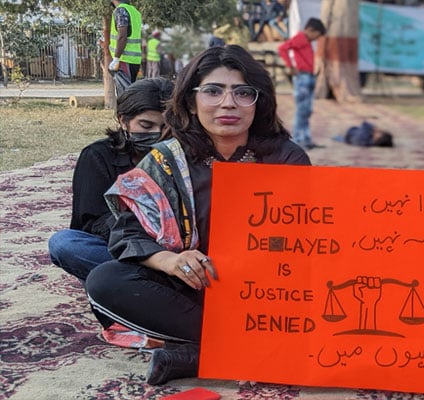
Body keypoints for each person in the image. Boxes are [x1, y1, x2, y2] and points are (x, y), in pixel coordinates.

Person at [84, 45, 311, 385]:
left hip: (273, 294)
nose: (228, 103)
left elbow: (311, 238)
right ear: (191, 101)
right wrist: (170, 262)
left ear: (258, 101)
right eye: (213, 91)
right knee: (106, 280)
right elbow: (128, 235)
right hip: (198, 289)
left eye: (243, 92)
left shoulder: (286, 158)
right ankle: (245, 350)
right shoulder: (166, 161)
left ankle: (199, 356)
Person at [48, 77, 173, 347]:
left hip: (179, 253)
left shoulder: (183, 155)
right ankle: (125, 311)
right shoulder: (97, 156)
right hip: (123, 254)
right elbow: (89, 222)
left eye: (167, 127)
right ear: (123, 121)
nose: (157, 134)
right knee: (65, 243)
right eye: (146, 125)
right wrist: (143, 236)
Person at [278, 17, 326, 150]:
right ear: (311, 30)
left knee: (307, 110)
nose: (317, 38)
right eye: (317, 35)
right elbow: (283, 48)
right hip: (303, 77)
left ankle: (306, 139)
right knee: (301, 110)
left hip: (309, 76)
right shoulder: (300, 37)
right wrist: (290, 66)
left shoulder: (306, 40)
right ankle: (298, 140)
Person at [108, 0, 143, 86]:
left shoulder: (121, 10)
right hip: (134, 60)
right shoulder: (134, 11)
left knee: (125, 95)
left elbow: (122, 36)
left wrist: (116, 58)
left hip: (124, 59)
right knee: (131, 92)